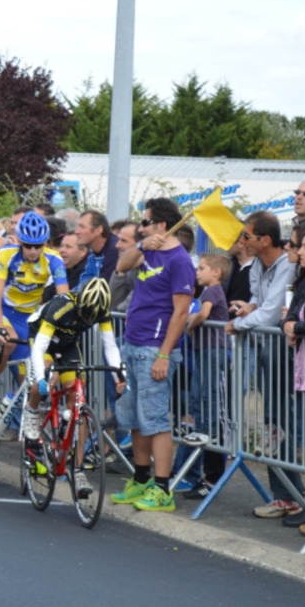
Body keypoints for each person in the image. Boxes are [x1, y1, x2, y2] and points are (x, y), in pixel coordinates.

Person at [109, 197, 196, 512]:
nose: (141, 227)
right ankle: (141, 479)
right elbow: (121, 267)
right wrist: (142, 246)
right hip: (132, 343)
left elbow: (181, 312)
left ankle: (162, 489)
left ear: (161, 224)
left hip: (154, 349)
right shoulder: (148, 251)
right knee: (135, 418)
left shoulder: (180, 260)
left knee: (156, 420)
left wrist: (164, 354)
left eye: (146, 222)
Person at [226, 211, 300, 519]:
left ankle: (292, 496)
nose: (242, 241)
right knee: (273, 423)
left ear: (265, 240)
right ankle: (285, 496)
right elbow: (259, 300)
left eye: (247, 236)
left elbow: (272, 313)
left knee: (282, 421)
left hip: (285, 351)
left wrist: (238, 324)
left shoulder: (288, 265)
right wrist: (249, 308)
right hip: (266, 347)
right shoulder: (258, 263)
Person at [26, 277, 125, 495]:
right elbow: (40, 348)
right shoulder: (62, 306)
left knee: (79, 400)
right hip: (42, 339)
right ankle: (31, 415)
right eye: (84, 314)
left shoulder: (102, 311)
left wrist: (120, 374)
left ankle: (77, 469)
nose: (86, 319)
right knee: (46, 379)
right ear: (80, 303)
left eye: (91, 317)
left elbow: (110, 346)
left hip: (68, 346)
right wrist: (41, 378)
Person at [0, 211, 68, 429]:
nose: (33, 251)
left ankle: (18, 407)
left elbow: (64, 298)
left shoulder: (54, 259)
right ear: (20, 242)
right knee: (7, 342)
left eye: (38, 246)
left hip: (30, 319)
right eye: (28, 246)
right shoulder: (6, 255)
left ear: (45, 243)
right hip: (2, 311)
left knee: (37, 379)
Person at [172, 252, 231, 499]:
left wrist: (191, 324)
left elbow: (204, 314)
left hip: (213, 349)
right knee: (197, 391)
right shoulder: (209, 290)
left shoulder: (212, 291)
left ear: (216, 272)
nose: (197, 272)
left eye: (202, 268)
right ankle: (201, 427)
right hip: (204, 350)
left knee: (208, 391)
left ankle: (208, 429)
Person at [281, 224, 305, 534]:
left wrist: (297, 329)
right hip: (304, 372)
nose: (299, 251)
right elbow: (290, 315)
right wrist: (289, 326)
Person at [76, 210, 119, 285]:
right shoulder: (94, 253)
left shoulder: (114, 250)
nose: (76, 231)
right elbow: (83, 284)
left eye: (82, 227)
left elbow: (104, 288)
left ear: (98, 230)